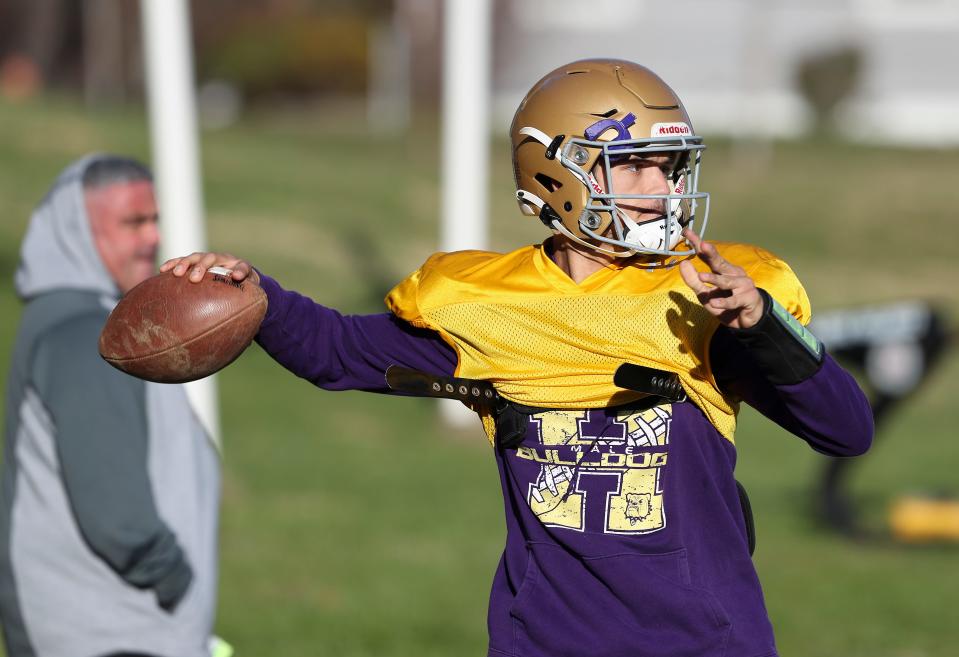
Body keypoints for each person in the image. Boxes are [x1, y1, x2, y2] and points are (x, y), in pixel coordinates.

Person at [163, 59, 873, 657]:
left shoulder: (701, 301)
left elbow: (846, 430)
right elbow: (334, 351)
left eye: (671, 167)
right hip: (546, 638)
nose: (663, 189)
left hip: (700, 640)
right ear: (555, 174)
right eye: (635, 168)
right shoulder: (487, 307)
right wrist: (256, 293)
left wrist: (763, 325)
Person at [1, 155, 221, 657]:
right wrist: (172, 578)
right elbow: (113, 507)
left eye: (155, 221)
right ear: (76, 231)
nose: (151, 238)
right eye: (131, 223)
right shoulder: (87, 336)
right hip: (107, 629)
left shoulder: (79, 318)